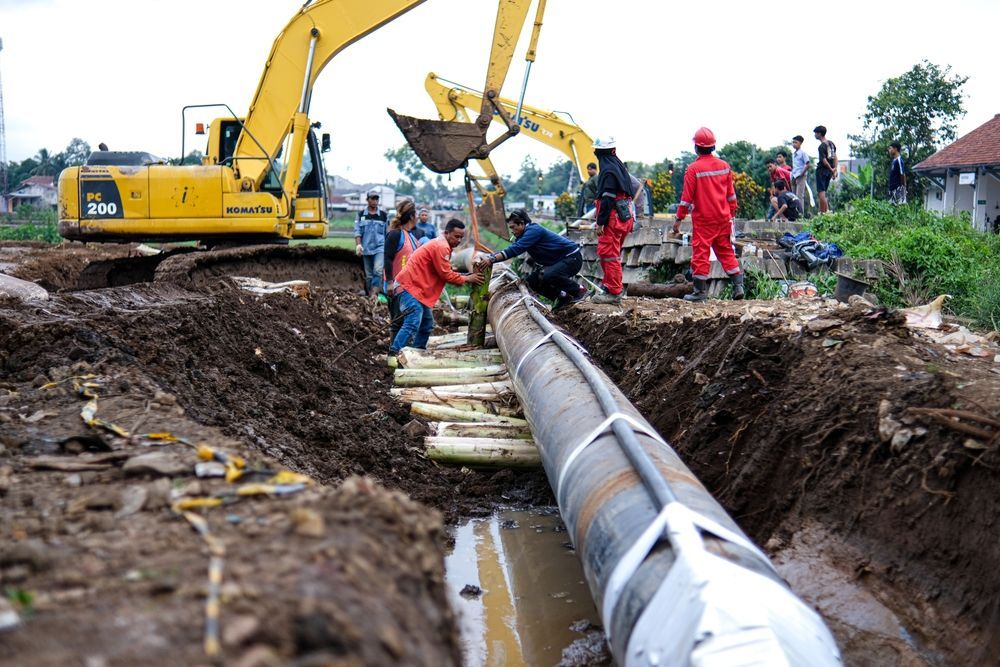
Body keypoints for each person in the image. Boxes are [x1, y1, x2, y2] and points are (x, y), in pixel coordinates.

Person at [390, 219, 484, 354]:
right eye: (456, 236)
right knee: (412, 322)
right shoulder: (442, 246)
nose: (459, 241)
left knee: (427, 324)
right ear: (447, 233)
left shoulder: (441, 244)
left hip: (416, 289)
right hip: (409, 287)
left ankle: (418, 352)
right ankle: (394, 353)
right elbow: (446, 275)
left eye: (461, 238)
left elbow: (445, 271)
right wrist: (469, 278)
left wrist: (465, 275)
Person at [672, 127, 743, 302]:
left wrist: (678, 219)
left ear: (696, 147)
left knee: (701, 254)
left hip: (704, 220)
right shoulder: (724, 166)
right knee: (726, 252)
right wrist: (731, 213)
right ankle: (738, 286)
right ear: (713, 146)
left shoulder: (693, 169)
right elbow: (731, 195)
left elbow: (686, 199)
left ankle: (699, 293)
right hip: (723, 218)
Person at [476, 209, 587, 309]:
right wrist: (492, 256)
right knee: (531, 283)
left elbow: (515, 249)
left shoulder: (533, 231)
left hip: (572, 258)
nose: (512, 231)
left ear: (522, 224)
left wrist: (491, 259)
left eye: (513, 227)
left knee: (549, 276)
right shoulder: (524, 234)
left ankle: (578, 290)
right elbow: (512, 248)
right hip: (558, 260)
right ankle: (563, 296)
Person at [591, 137, 634, 304]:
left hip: (613, 218)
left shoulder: (608, 170)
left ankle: (614, 292)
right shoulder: (618, 166)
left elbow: (608, 198)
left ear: (599, 152)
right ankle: (609, 286)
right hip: (623, 217)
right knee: (611, 254)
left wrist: (600, 222)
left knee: (609, 254)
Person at [384, 199, 421, 342]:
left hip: (408, 287)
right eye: (416, 214)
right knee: (397, 322)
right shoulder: (395, 235)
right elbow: (387, 258)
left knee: (407, 320)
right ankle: (393, 355)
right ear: (412, 216)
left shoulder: (411, 237)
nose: (417, 217)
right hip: (396, 286)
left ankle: (401, 351)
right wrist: (389, 282)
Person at [354, 189, 388, 296]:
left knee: (378, 271)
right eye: (372, 198)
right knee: (369, 275)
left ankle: (374, 293)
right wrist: (358, 245)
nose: (375, 201)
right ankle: (370, 296)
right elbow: (357, 231)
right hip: (366, 247)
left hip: (380, 247)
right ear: (367, 200)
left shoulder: (383, 215)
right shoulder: (360, 215)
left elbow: (387, 232)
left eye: (376, 198)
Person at [814, 125, 838, 213]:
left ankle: (822, 213)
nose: (815, 135)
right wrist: (834, 169)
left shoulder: (822, 146)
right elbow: (835, 157)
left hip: (822, 171)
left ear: (819, 134)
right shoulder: (831, 144)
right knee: (823, 193)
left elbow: (824, 160)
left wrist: (832, 170)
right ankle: (826, 212)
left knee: (821, 193)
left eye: (815, 133)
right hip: (828, 172)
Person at [790, 135, 811, 205]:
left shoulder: (803, 153)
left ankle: (800, 214)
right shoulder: (793, 154)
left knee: (799, 196)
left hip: (800, 175)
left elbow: (808, 164)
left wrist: (802, 173)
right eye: (793, 142)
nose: (794, 144)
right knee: (793, 196)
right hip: (794, 175)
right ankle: (794, 214)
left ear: (800, 143)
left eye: (796, 142)